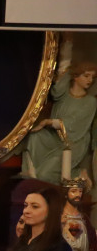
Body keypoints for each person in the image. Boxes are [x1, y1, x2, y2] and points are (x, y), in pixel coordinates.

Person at [20, 49, 97, 183]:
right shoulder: (64, 95)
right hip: (55, 137)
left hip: (73, 142)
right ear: (75, 76)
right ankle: (31, 175)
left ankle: (76, 173)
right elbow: (56, 90)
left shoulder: (90, 101)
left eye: (93, 77)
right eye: (86, 76)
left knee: (45, 173)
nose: (90, 80)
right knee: (35, 137)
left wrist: (48, 122)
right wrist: (68, 66)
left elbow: (73, 123)